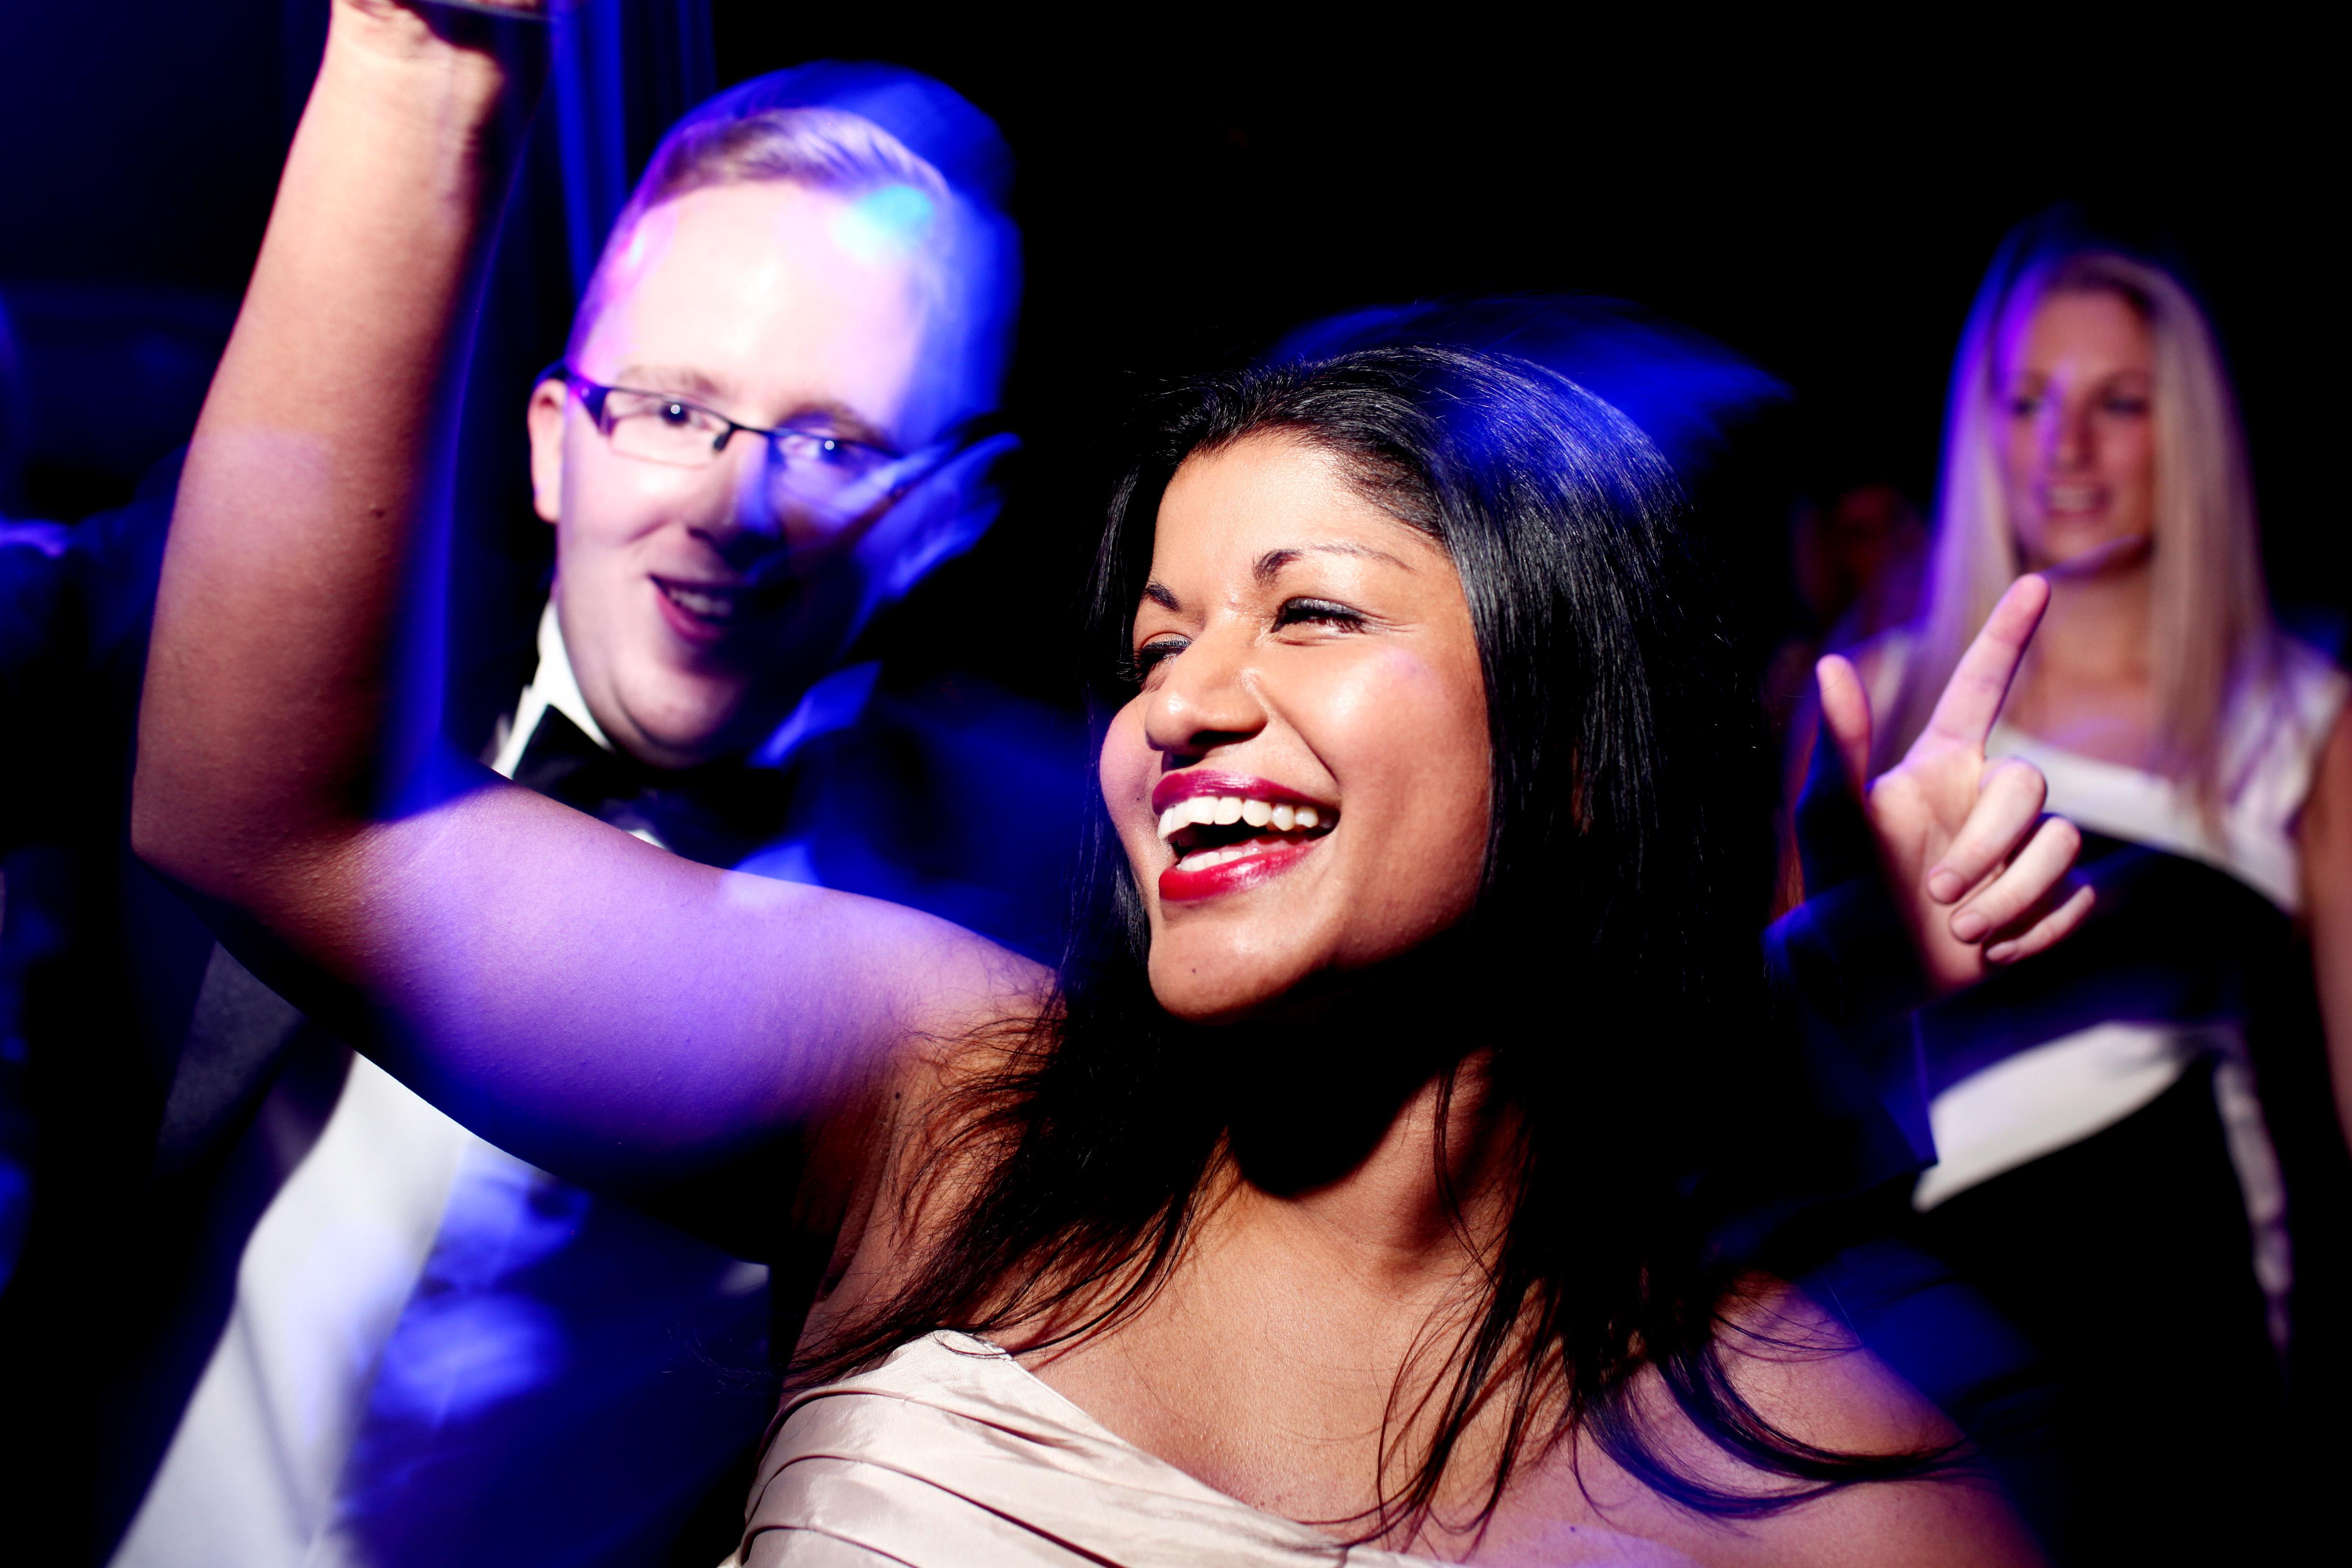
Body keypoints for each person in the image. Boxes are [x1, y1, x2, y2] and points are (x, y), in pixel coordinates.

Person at [135, 5, 2091, 1562]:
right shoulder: (955, 1114)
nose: (1182, 704)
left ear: (1586, 738)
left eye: (1307, 611)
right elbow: (284, 823)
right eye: (1155, 644)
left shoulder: (1853, 1485)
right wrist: (422, 56)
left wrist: (1803, 995)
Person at [0, 38, 1069, 1568]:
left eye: (833, 444)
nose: (729, 510)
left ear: (946, 516)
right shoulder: (255, 635)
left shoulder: (1034, 902)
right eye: (672, 410)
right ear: (554, 439)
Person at [1799, 210, 2352, 1560]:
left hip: (2169, 1302)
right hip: (1895, 1297)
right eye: (2027, 399)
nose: (2065, 447)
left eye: (2120, 403)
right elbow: (1758, 1061)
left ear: (2193, 433)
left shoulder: (2301, 719)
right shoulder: (1874, 700)